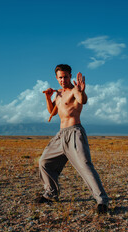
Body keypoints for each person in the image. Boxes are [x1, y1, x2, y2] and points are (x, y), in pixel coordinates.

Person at [36, 64, 109, 214]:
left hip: (75, 132)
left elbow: (82, 100)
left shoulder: (75, 90)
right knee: (44, 162)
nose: (63, 80)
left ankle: (102, 201)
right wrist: (47, 97)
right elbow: (52, 112)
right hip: (61, 134)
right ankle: (51, 194)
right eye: (60, 77)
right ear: (56, 78)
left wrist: (82, 91)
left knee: (85, 166)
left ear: (70, 76)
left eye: (66, 77)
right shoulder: (59, 94)